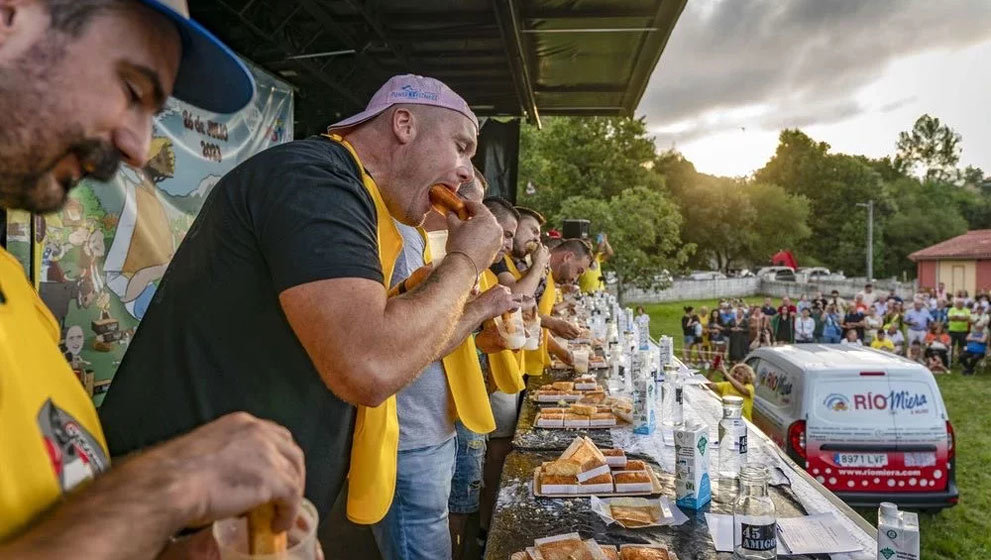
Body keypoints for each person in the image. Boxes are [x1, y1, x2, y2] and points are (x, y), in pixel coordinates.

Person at [99, 74, 509, 538]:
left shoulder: (360, 202)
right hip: (178, 521)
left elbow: (404, 347)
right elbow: (369, 365)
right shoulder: (315, 179)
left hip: (239, 514)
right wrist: (466, 260)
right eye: (461, 147)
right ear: (403, 124)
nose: (464, 174)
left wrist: (464, 299)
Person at [0, 1, 313, 557]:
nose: (139, 147)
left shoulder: (18, 294)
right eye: (130, 87)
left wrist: (194, 551)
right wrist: (170, 484)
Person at [367, 176, 517, 559]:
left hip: (438, 424)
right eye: (476, 209)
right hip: (410, 434)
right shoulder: (403, 245)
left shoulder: (429, 249)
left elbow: (450, 340)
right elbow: (411, 345)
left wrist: (482, 333)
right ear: (451, 206)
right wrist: (481, 309)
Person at [947, 298, 972, 364]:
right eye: (958, 303)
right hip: (952, 330)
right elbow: (950, 318)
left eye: (961, 303)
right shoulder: (951, 309)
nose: (959, 305)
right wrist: (961, 318)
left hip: (963, 331)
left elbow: (967, 318)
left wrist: (956, 317)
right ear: (955, 304)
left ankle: (960, 359)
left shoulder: (967, 310)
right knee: (951, 346)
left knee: (961, 346)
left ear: (963, 304)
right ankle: (950, 359)